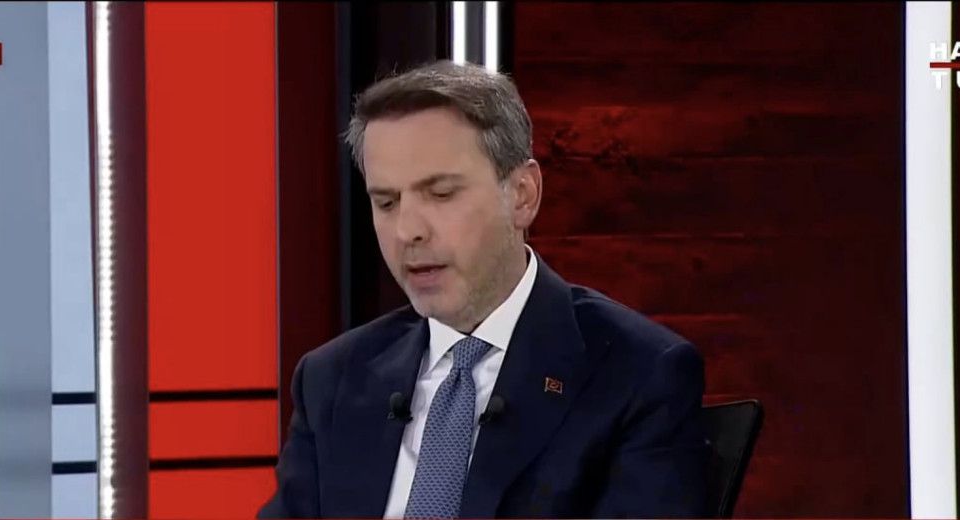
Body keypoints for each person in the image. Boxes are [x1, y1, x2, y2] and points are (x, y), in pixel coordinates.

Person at [258, 60, 706, 519]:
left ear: (523, 195)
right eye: (387, 202)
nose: (408, 230)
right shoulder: (332, 379)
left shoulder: (636, 375)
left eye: (441, 194)